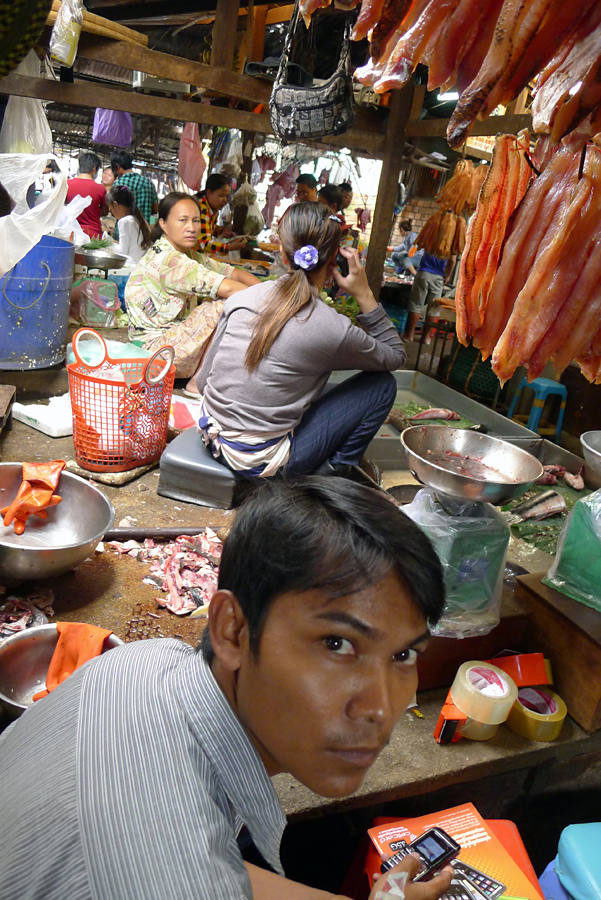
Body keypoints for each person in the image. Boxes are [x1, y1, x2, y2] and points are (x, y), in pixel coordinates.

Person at [0, 476, 452, 900]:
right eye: (337, 644)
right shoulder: (174, 879)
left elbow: (212, 863)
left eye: (403, 656)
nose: (380, 708)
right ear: (232, 629)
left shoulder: (145, 661)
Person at [196, 201, 405, 478]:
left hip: (211, 438)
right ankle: (332, 475)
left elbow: (201, 382)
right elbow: (395, 356)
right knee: (382, 385)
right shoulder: (332, 327)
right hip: (259, 462)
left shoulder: (242, 298)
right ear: (335, 261)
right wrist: (364, 293)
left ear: (282, 254)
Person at [125, 191, 259, 395]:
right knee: (224, 304)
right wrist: (273, 302)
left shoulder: (187, 254)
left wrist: (267, 292)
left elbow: (234, 273)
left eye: (196, 220)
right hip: (154, 353)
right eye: (183, 220)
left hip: (170, 342)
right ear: (163, 224)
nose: (191, 227)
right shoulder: (171, 261)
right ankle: (197, 382)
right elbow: (231, 287)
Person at [405, 251, 456, 342]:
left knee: (416, 304)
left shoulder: (430, 237)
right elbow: (452, 259)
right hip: (439, 276)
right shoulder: (452, 241)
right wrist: (448, 275)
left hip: (424, 273)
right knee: (433, 307)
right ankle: (426, 338)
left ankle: (409, 335)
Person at [195, 173, 247, 254]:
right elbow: (205, 243)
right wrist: (230, 247)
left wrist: (221, 230)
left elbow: (208, 229)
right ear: (209, 193)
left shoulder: (212, 209)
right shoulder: (201, 209)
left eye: (226, 196)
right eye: (221, 196)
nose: (225, 200)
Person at [106, 184, 152, 266]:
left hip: (130, 268)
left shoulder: (125, 221)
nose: (111, 212)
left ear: (116, 205)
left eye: (111, 208)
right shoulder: (137, 219)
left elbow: (122, 251)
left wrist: (108, 243)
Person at [65, 151, 107, 238]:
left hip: (70, 233)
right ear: (94, 169)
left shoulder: (67, 184)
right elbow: (105, 212)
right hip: (93, 235)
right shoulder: (100, 188)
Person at [110, 149, 158, 222]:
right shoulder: (149, 183)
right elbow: (155, 209)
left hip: (123, 231)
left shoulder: (118, 184)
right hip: (143, 230)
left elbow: (114, 212)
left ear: (117, 166)